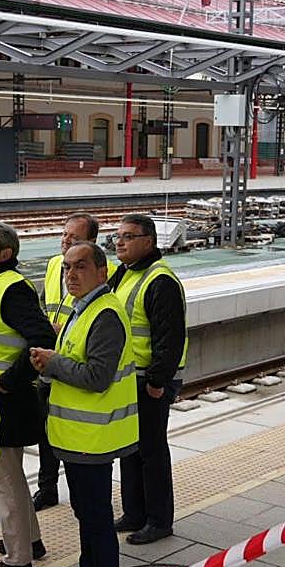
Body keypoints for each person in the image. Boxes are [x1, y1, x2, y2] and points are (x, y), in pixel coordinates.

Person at [30, 242, 137, 567]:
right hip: (77, 436)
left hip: (94, 438)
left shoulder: (105, 315)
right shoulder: (83, 309)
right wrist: (51, 364)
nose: (70, 275)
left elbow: (97, 377)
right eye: (66, 268)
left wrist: (53, 363)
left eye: (80, 267)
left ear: (102, 272)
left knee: (96, 516)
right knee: (85, 512)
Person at [0, 222, 56, 567]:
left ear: (5, 253)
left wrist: (9, 380)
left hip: (7, 399)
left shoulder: (10, 288)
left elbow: (42, 337)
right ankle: (30, 541)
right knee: (12, 477)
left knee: (4, 480)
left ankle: (18, 560)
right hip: (5, 398)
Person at [109, 215, 188, 546]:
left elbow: (169, 336)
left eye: (128, 236)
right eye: (117, 236)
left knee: (152, 451)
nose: (120, 242)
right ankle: (134, 512)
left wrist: (157, 380)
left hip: (149, 381)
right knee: (130, 449)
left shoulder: (160, 280)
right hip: (130, 378)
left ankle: (158, 520)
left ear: (149, 241)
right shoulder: (126, 273)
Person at [34, 212, 114, 512]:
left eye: (75, 237)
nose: (66, 241)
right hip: (51, 358)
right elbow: (44, 303)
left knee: (89, 495)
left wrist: (63, 332)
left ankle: (80, 494)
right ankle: (47, 487)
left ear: (92, 243)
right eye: (64, 234)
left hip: (71, 361)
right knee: (48, 430)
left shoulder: (103, 276)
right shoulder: (55, 264)